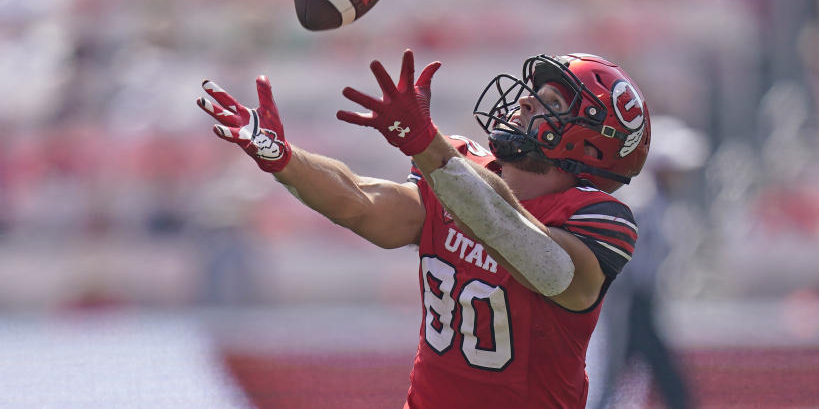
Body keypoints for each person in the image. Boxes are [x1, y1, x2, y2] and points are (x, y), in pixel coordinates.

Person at [196, 49, 652, 408]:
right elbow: (361, 203)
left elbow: (547, 267)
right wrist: (286, 160)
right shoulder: (456, 167)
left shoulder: (598, 215)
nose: (527, 99)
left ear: (591, 142)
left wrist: (428, 148)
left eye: (553, 102)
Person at [596, 116, 702, 409]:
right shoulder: (641, 203)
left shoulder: (659, 203)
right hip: (629, 298)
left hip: (641, 299)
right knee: (621, 366)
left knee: (625, 369)